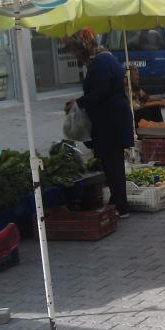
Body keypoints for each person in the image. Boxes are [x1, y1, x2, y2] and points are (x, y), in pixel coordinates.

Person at [64, 28, 133, 218]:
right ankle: (118, 202)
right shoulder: (105, 58)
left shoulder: (101, 63)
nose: (75, 55)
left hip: (111, 122)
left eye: (76, 51)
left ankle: (120, 207)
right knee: (113, 164)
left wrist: (78, 103)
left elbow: (100, 92)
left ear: (84, 46)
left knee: (113, 165)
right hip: (112, 119)